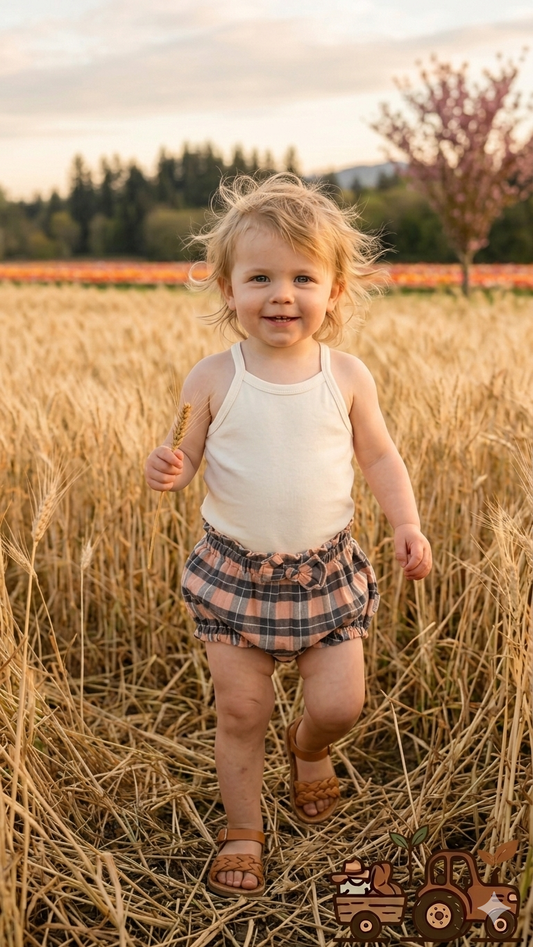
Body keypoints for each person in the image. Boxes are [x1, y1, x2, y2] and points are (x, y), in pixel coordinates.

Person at [144, 173, 432, 898]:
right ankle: (244, 829)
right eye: (260, 277)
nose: (281, 293)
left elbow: (377, 455)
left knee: (339, 704)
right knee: (242, 710)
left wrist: (405, 521)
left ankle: (309, 750)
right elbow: (188, 459)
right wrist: (169, 469)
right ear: (227, 290)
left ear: (334, 291)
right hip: (233, 573)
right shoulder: (212, 376)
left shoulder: (347, 375)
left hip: (325, 572)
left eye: (303, 276)